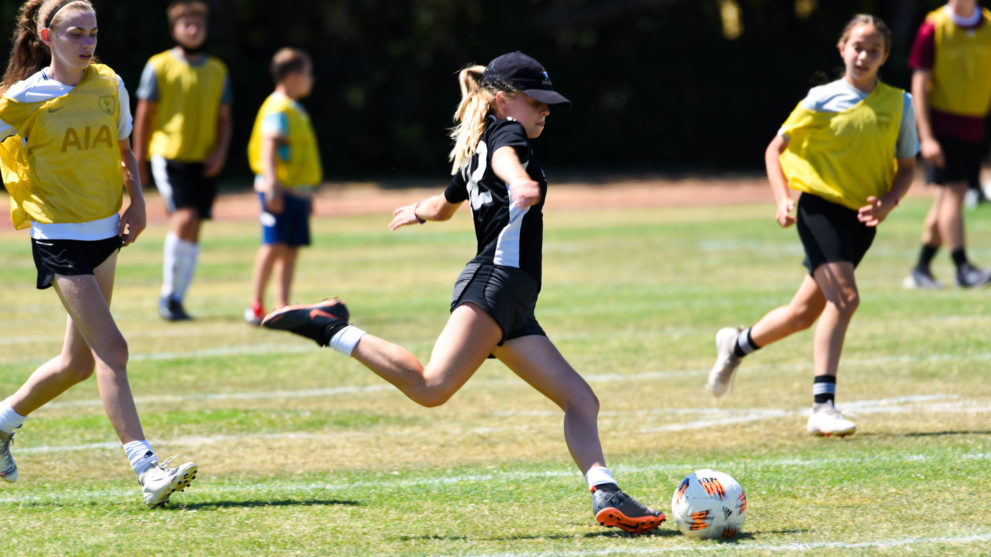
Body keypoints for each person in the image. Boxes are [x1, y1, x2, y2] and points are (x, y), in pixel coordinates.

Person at [261, 51, 664, 534]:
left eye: (548, 103)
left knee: (581, 401)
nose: (545, 110)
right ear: (502, 100)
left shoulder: (478, 144)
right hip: (494, 286)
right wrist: (519, 180)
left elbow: (446, 205)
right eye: (536, 100)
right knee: (431, 387)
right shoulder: (503, 136)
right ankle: (330, 328)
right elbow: (506, 158)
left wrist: (416, 209)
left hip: (513, 302)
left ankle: (606, 493)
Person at [0, 0, 196, 507]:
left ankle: (2, 423)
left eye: (92, 33)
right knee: (114, 349)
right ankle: (147, 469)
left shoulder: (110, 84)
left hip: (105, 231)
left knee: (77, 364)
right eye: (74, 34)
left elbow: (124, 148)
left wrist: (137, 201)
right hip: (58, 238)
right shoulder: (24, 97)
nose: (86, 43)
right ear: (47, 36)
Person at [706, 15, 919, 437]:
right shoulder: (821, 99)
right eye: (857, 46)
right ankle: (823, 406)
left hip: (862, 220)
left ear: (885, 56)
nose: (864, 55)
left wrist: (890, 202)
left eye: (874, 49)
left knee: (805, 313)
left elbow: (907, 167)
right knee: (845, 299)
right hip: (820, 209)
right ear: (842, 48)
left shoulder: (900, 104)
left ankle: (737, 344)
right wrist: (783, 198)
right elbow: (775, 149)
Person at [133, 0, 232, 320]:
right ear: (174, 29)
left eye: (198, 24)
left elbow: (224, 118)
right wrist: (139, 159)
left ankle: (177, 298)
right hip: (169, 154)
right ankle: (167, 296)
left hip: (202, 158)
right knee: (185, 217)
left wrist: (219, 152)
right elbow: (144, 114)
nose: (192, 29)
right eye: (186, 24)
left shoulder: (218, 70)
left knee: (195, 226)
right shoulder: (159, 65)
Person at [904, 0, 991, 289]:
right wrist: (926, 137)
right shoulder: (934, 27)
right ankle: (962, 267)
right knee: (955, 192)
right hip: (943, 126)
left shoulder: (988, 25)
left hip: (975, 124)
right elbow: (919, 83)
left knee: (945, 199)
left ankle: (921, 268)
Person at [243, 48, 320, 326]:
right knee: (273, 244)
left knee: (291, 247)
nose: (311, 79)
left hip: (297, 191)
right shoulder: (278, 107)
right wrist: (272, 184)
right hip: (279, 189)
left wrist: (307, 192)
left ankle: (282, 306)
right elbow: (269, 144)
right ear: (291, 76)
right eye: (307, 73)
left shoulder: (295, 108)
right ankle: (256, 304)